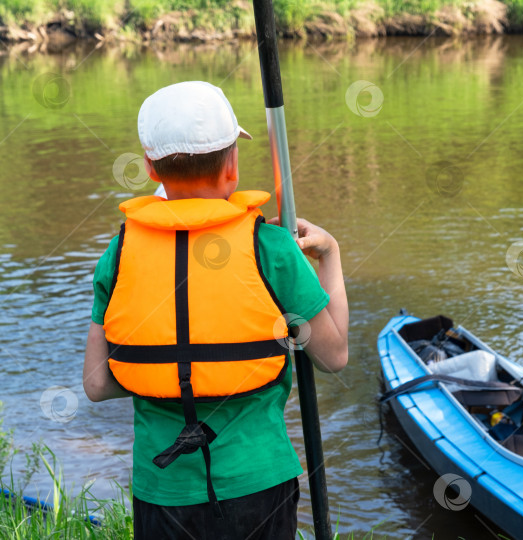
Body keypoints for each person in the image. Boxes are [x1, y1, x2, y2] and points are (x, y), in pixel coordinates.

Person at [82, 81, 349, 540]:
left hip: (160, 491)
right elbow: (332, 356)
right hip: (258, 484)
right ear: (233, 166)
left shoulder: (120, 251)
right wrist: (331, 255)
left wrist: (169, 371)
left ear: (150, 167)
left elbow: (97, 383)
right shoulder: (272, 247)